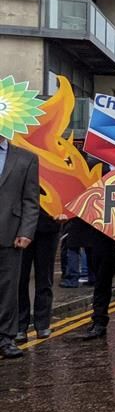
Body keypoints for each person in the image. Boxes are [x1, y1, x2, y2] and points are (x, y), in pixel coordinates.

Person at [0, 136, 39, 359]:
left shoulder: (26, 158)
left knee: (8, 290)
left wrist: (26, 231)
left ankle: (6, 338)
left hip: (10, 233)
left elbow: (30, 200)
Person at [16, 210, 64, 342]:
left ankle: (42, 324)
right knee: (20, 279)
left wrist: (64, 212)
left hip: (49, 225)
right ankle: (20, 326)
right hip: (22, 227)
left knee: (45, 278)